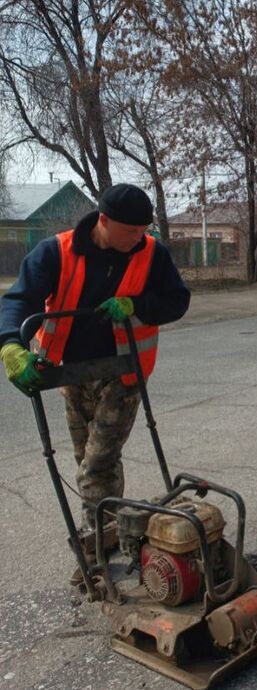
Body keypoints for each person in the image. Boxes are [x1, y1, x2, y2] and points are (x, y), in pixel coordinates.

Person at [0, 184, 190, 566]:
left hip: (123, 373)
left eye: (143, 230)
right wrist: (9, 345)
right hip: (69, 373)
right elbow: (20, 300)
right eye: (130, 230)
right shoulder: (56, 251)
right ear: (103, 221)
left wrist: (134, 305)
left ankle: (99, 550)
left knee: (97, 463)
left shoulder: (152, 254)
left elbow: (176, 301)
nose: (139, 238)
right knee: (86, 458)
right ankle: (112, 539)